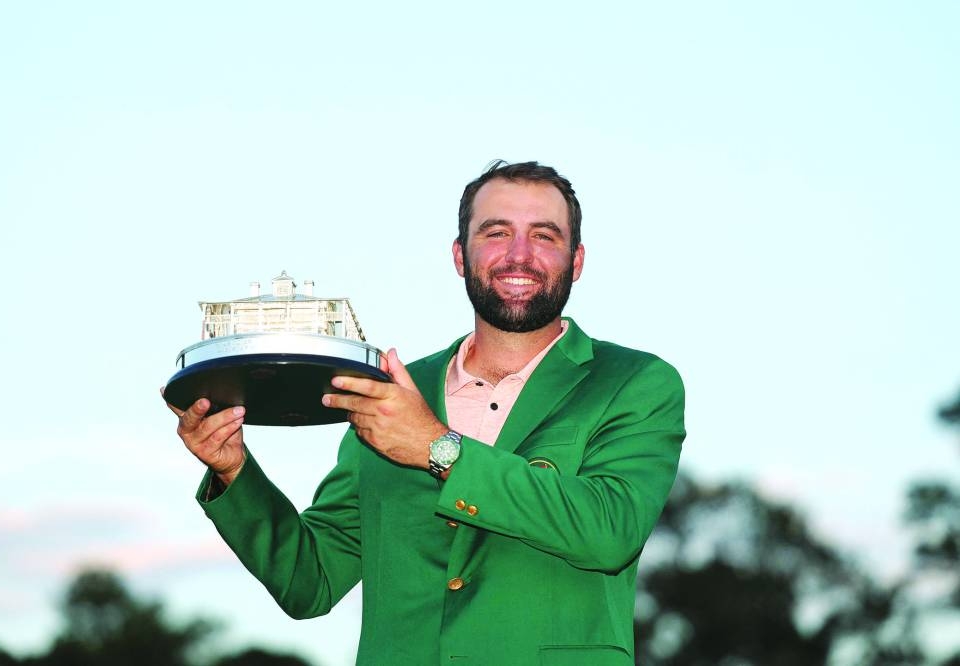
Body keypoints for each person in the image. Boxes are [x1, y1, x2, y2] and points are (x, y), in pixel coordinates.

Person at [165, 161, 685, 665]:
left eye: (545, 236)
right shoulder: (387, 396)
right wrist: (233, 470)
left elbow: (609, 531)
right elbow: (310, 582)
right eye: (496, 232)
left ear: (577, 260)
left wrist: (438, 449)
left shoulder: (634, 383)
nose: (520, 254)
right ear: (460, 255)